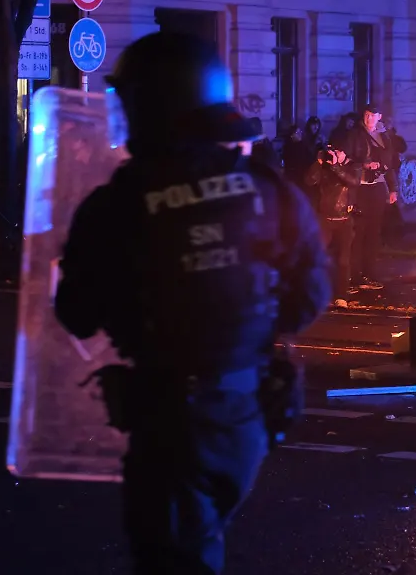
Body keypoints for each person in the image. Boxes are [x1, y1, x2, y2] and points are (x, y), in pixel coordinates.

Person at [53, 32, 331, 574]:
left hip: (169, 423)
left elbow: (76, 315)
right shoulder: (267, 189)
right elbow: (309, 298)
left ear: (151, 108)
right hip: (248, 415)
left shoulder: (118, 206)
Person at [346, 104, 399, 289]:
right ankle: (354, 276)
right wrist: (365, 165)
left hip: (377, 186)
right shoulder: (355, 134)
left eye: (372, 115)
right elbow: (346, 159)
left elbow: (390, 164)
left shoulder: (384, 137)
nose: (369, 119)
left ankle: (369, 273)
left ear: (379, 116)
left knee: (373, 233)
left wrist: (393, 188)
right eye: (366, 115)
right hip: (360, 187)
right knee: (358, 232)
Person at [304, 146, 361, 306]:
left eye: (338, 151)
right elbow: (309, 181)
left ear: (344, 153)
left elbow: (353, 182)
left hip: (344, 220)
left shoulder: (352, 167)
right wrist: (319, 162)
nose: (335, 154)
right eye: (333, 151)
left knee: (343, 260)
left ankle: (341, 296)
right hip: (325, 219)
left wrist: (336, 166)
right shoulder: (324, 168)